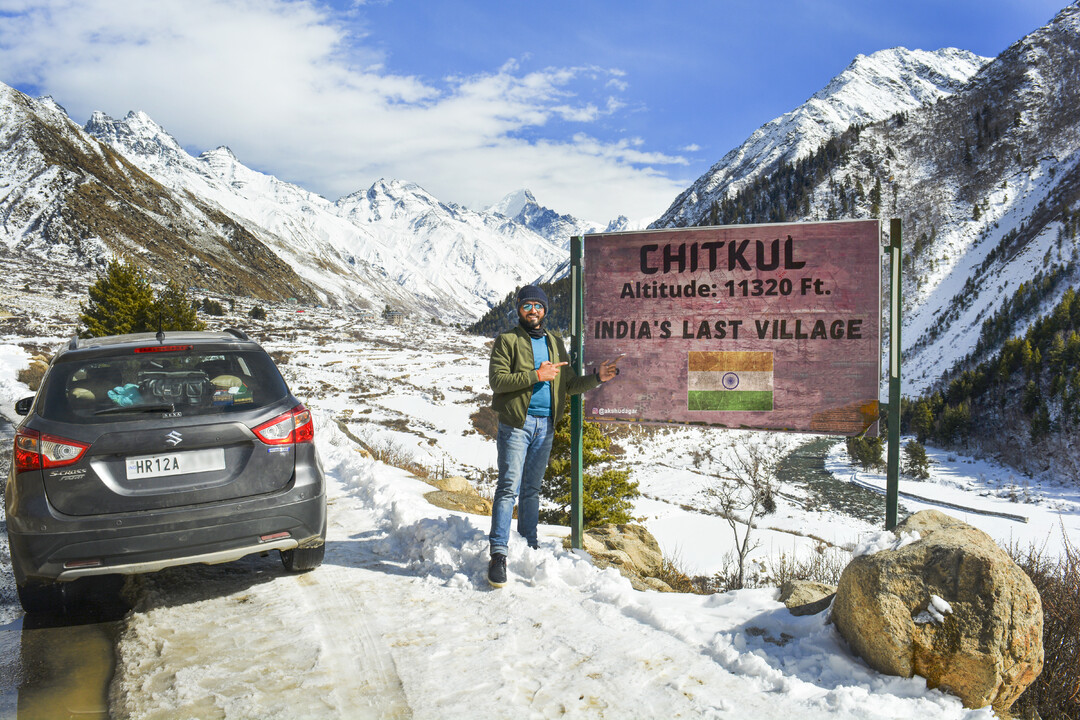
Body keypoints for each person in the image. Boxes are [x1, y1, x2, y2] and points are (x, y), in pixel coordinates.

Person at [486, 284, 620, 587]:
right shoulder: (507, 340)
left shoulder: (554, 342)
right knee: (508, 487)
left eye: (538, 306)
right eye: (527, 306)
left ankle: (529, 545)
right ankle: (498, 553)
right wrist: (537, 375)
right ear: (519, 309)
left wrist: (597, 378)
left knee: (531, 489)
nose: (533, 311)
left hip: (545, 425)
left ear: (545, 310)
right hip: (516, 425)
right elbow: (497, 381)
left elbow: (569, 385)